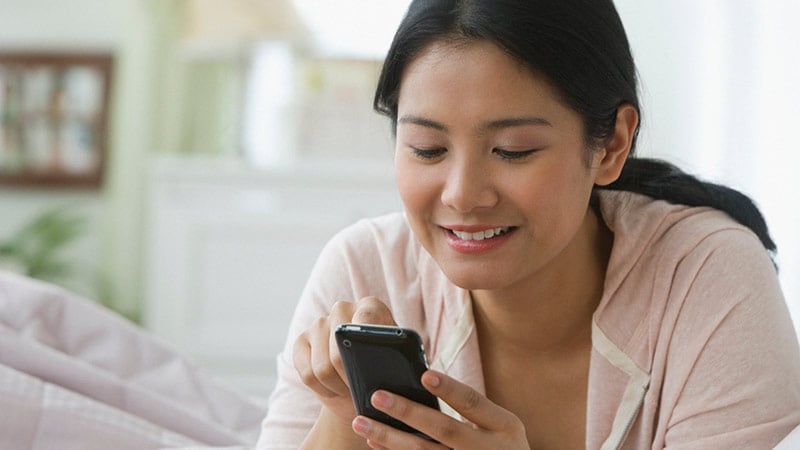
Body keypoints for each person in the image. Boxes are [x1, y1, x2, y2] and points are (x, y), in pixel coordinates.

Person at [256, 0, 800, 448]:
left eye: (513, 150)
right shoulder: (364, 269)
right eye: (428, 148)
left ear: (611, 144)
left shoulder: (705, 274)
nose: (463, 195)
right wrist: (343, 420)